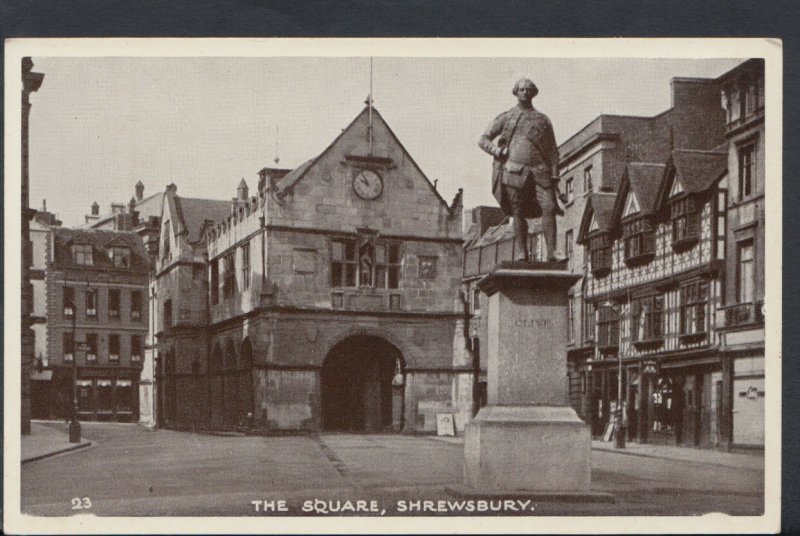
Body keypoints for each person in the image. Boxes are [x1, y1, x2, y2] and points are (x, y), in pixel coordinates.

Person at [479, 78, 564, 262]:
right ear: (516, 92)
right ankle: (521, 252)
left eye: (528, 89)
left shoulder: (543, 120)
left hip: (540, 172)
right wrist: (497, 150)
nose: (525, 92)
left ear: (533, 93)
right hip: (514, 171)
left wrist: (555, 173)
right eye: (521, 89)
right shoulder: (506, 117)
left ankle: (551, 252)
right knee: (517, 211)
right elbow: (483, 139)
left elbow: (552, 150)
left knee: (549, 206)